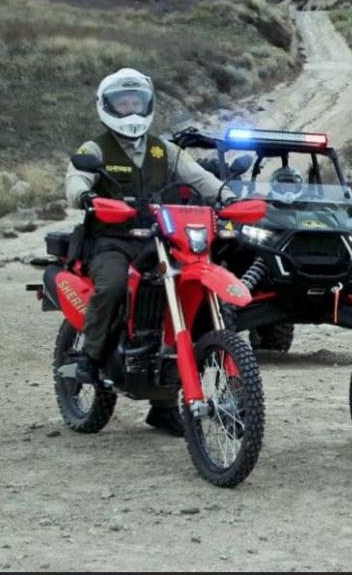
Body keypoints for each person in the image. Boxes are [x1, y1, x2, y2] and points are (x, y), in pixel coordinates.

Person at [64, 68, 228, 436]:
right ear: (108, 106)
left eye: (135, 101)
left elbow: (198, 177)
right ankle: (89, 358)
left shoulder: (163, 150)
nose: (129, 108)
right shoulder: (95, 149)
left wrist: (227, 195)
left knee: (182, 301)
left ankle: (166, 404)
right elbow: (75, 178)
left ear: (147, 103)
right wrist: (85, 196)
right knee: (112, 286)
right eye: (122, 102)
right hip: (111, 241)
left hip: (158, 240)